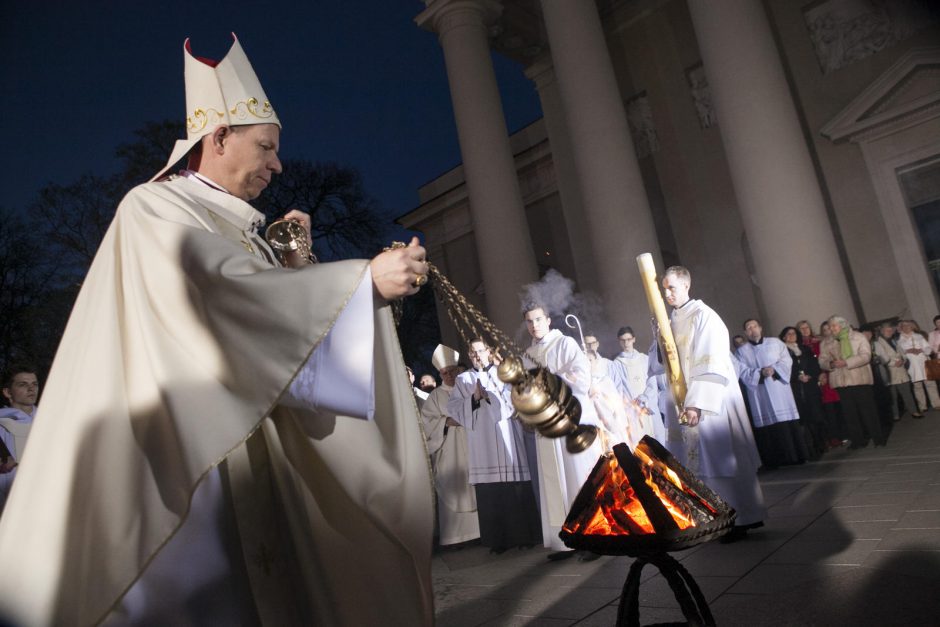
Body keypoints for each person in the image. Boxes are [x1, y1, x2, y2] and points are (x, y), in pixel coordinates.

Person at [0, 35, 434, 626]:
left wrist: (302, 272)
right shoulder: (153, 209)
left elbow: (270, 332)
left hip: (249, 451)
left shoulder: (245, 229)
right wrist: (359, 282)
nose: (277, 165)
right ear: (219, 136)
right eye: (266, 147)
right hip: (184, 460)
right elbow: (222, 295)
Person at [656, 266, 765, 543]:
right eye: (664, 288)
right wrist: (659, 339)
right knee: (698, 462)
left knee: (719, 458)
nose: (667, 293)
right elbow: (661, 361)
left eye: (672, 288)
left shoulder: (704, 317)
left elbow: (711, 360)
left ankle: (736, 518)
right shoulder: (669, 321)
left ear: (686, 286)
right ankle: (714, 519)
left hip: (710, 401)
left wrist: (697, 404)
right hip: (685, 400)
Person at [522, 302, 605, 561]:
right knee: (554, 481)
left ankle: (593, 538)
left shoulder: (565, 344)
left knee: (578, 478)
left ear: (548, 320)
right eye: (529, 321)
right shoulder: (528, 354)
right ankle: (565, 541)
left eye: (538, 319)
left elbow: (582, 376)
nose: (534, 325)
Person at [447, 339, 541, 553]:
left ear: (488, 352)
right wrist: (474, 397)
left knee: (514, 484)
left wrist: (492, 396)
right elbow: (453, 407)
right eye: (472, 353)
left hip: (507, 435)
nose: (477, 356)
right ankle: (498, 540)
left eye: (480, 351)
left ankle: (525, 536)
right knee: (491, 491)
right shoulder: (463, 379)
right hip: (482, 441)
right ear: (469, 355)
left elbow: (517, 397)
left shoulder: (503, 372)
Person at [421, 344, 480, 547]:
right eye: (444, 373)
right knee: (455, 481)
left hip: (472, 443)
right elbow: (427, 422)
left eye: (452, 371)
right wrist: (445, 422)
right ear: (440, 374)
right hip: (449, 448)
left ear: (457, 371)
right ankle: (457, 537)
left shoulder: (469, 388)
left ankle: (482, 531)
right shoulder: (435, 396)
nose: (448, 375)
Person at [735, 320, 809, 467]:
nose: (752, 330)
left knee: (787, 422)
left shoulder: (775, 343)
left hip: (779, 390)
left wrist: (774, 369)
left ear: (760, 328)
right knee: (769, 426)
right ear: (745, 333)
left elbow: (786, 360)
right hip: (760, 393)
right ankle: (777, 460)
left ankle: (798, 456)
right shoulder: (741, 352)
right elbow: (741, 370)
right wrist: (760, 373)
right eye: (748, 328)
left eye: (754, 326)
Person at [818, 315, 885, 449]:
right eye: (830, 326)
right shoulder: (826, 342)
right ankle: (858, 440)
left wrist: (846, 362)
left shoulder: (858, 337)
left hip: (859, 379)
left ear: (842, 325)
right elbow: (822, 360)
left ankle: (878, 438)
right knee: (849, 413)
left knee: (868, 411)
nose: (831, 329)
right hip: (841, 381)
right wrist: (830, 364)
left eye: (834, 326)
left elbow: (866, 356)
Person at [780, 326, 828, 454]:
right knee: (803, 418)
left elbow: (814, 364)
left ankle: (821, 443)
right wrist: (797, 376)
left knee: (816, 415)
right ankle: (809, 446)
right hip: (796, 388)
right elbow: (783, 370)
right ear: (784, 337)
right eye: (788, 334)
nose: (791, 336)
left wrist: (814, 375)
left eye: (794, 333)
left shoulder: (805, 349)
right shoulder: (781, 351)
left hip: (810, 386)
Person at [0, 367, 39, 516]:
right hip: (9, 504)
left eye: (34, 384)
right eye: (23, 384)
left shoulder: (52, 420)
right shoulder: (2, 423)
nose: (31, 389)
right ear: (7, 392)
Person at [873, 322, 919, 420]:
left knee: (907, 392)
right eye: (887, 330)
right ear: (882, 331)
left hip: (901, 370)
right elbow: (882, 358)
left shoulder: (894, 341)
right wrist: (894, 363)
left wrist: (903, 360)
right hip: (890, 372)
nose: (890, 332)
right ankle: (895, 415)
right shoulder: (878, 343)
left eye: (891, 330)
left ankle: (914, 411)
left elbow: (902, 353)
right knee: (892, 396)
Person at [898, 319, 940, 414]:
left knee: (930, 384)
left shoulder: (919, 336)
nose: (906, 327)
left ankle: (936, 403)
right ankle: (922, 405)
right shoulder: (899, 340)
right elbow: (900, 353)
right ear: (901, 328)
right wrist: (907, 351)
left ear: (912, 326)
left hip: (923, 362)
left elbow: (928, 348)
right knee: (917, 386)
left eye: (907, 325)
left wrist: (921, 350)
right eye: (903, 326)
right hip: (912, 364)